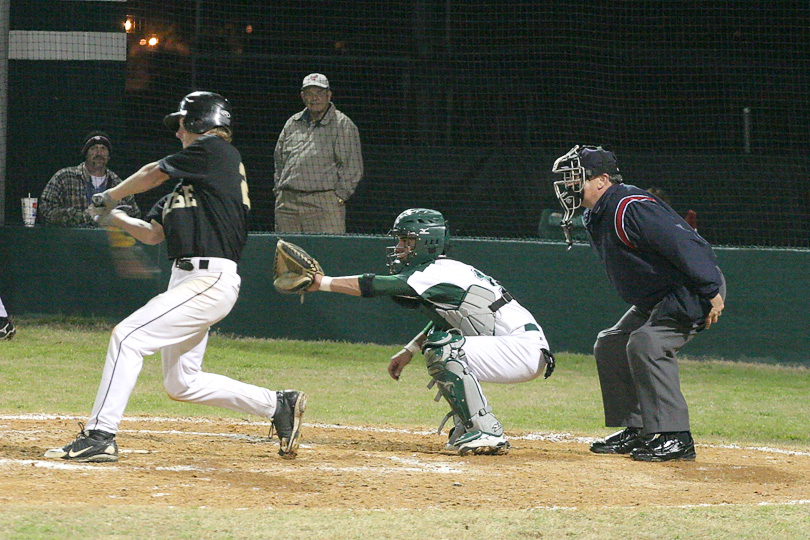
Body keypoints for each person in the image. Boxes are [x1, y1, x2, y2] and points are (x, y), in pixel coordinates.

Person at [44, 91, 307, 462]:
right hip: (186, 280)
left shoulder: (217, 151)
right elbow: (152, 233)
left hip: (210, 277)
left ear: (202, 122)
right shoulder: (191, 186)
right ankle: (278, 405)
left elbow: (152, 173)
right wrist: (113, 216)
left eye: (182, 124)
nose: (178, 132)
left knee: (126, 337)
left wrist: (111, 195)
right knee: (182, 382)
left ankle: (100, 435)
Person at [305, 208, 554, 455]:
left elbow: (375, 285)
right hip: (517, 347)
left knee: (444, 348)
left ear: (427, 242)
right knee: (442, 344)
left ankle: (486, 429)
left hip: (521, 349)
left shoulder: (436, 272)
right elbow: (447, 319)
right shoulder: (442, 270)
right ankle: (469, 426)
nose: (400, 247)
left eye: (407, 240)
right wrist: (409, 350)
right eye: (400, 239)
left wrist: (322, 283)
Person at [551, 145, 725, 462]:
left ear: (602, 180)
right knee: (611, 344)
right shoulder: (599, 211)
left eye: (577, 179)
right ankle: (638, 428)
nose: (570, 187)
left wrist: (710, 289)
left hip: (690, 288)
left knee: (647, 343)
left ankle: (675, 437)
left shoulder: (630, 205)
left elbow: (684, 242)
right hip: (660, 295)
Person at [273, 73, 363, 234]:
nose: (314, 98)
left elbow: (353, 167)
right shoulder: (293, 123)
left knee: (326, 255)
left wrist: (338, 198)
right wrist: (279, 191)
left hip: (323, 205)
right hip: (287, 204)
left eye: (319, 93)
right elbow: (279, 160)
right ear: (302, 96)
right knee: (286, 255)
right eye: (309, 94)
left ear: (329, 95)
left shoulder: (342, 125)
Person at [39, 131, 140, 226]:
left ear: (109, 156)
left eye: (103, 148)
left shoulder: (119, 184)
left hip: (108, 242)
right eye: (94, 148)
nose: (99, 153)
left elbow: (135, 216)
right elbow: (45, 211)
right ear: (85, 154)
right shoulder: (64, 178)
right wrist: (85, 216)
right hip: (71, 242)